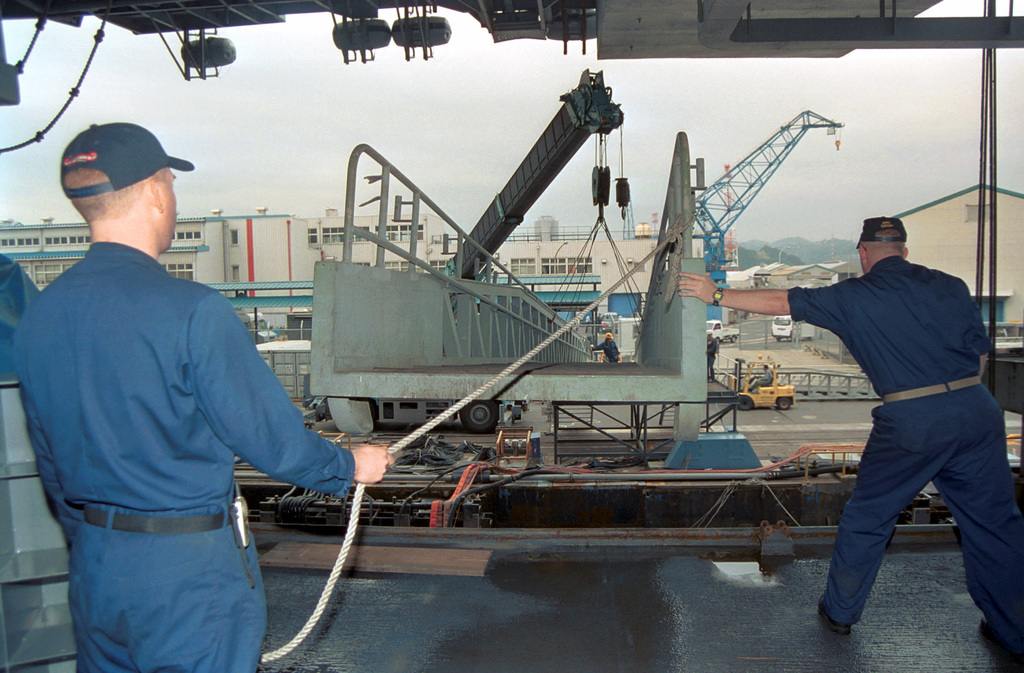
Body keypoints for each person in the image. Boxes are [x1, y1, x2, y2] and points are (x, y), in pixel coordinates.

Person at [12, 123, 394, 673]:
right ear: (153, 192)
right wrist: (350, 466)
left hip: (95, 566)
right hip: (186, 570)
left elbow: (48, 462)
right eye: (170, 181)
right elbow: (269, 439)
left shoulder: (39, 319)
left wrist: (101, 538)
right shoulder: (194, 311)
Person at [678, 216, 1024, 660]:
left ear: (862, 254)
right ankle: (1011, 628)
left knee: (869, 516)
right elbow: (979, 356)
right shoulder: (952, 286)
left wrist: (715, 294)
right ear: (903, 249)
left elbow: (782, 300)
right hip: (977, 410)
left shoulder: (853, 295)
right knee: (995, 525)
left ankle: (840, 614)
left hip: (911, 417)